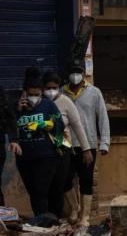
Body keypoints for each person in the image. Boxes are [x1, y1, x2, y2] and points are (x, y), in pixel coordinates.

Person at [10, 75, 65, 217]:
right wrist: (17, 111)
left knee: (41, 191)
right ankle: (40, 221)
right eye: (30, 95)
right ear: (24, 93)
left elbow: (60, 125)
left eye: (37, 94)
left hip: (46, 156)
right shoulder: (16, 107)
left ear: (41, 93)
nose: (33, 97)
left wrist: (44, 125)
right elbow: (9, 126)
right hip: (24, 158)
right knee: (33, 192)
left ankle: (46, 222)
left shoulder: (48, 105)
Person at [42, 71, 91, 223]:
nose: (51, 91)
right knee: (47, 185)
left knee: (63, 181)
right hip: (43, 150)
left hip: (62, 147)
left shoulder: (65, 102)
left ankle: (74, 213)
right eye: (48, 88)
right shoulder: (39, 103)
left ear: (59, 88)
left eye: (55, 87)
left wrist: (86, 149)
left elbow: (78, 127)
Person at [64, 63, 110, 226]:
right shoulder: (62, 93)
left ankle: (86, 216)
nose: (75, 75)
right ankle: (75, 209)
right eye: (72, 72)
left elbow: (103, 117)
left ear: (83, 73)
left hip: (88, 144)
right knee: (66, 178)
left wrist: (104, 143)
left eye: (78, 72)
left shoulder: (94, 92)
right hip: (66, 143)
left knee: (86, 180)